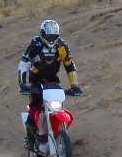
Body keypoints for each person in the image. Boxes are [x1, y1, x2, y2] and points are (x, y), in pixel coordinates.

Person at [18, 19, 82, 149]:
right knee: (35, 104)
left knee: (58, 104)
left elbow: (69, 65)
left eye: (54, 36)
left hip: (52, 79)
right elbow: (24, 63)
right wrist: (22, 84)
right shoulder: (35, 45)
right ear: (42, 34)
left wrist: (75, 85)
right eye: (49, 36)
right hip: (35, 78)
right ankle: (30, 138)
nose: (51, 39)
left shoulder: (62, 46)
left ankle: (58, 131)